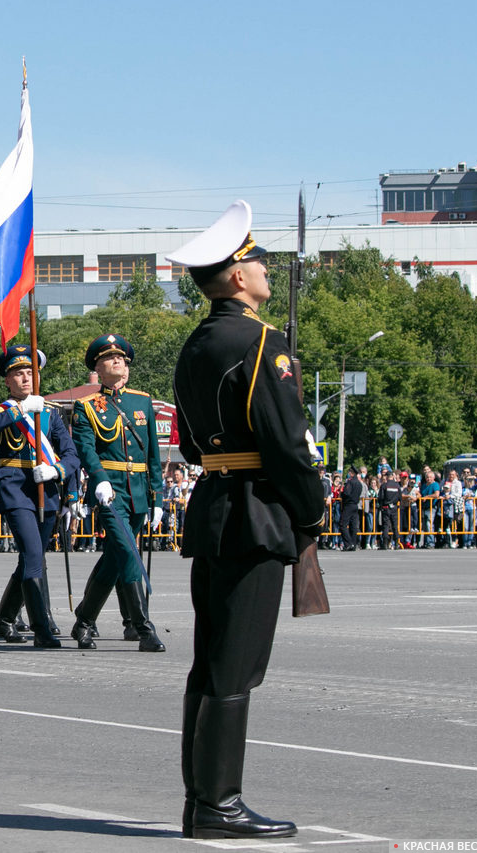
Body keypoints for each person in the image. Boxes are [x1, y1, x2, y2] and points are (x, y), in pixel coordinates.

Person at [168, 199, 326, 839]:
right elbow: (288, 445)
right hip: (258, 510)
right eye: (258, 261)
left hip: (214, 505)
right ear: (238, 276)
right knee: (237, 666)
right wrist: (311, 511)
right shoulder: (262, 342)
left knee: (211, 661)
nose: (265, 269)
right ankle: (218, 805)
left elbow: (188, 444)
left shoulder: (197, 343)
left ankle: (200, 799)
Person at [68, 334, 166, 653]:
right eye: (110, 358)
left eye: (121, 358)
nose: (118, 362)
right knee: (126, 551)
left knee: (115, 557)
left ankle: (84, 621)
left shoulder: (142, 401)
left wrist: (158, 497)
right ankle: (143, 627)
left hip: (138, 491)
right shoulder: (87, 405)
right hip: (110, 492)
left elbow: (152, 453)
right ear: (97, 366)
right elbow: (86, 448)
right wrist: (98, 479)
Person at [0, 344, 80, 649]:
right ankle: (41, 628)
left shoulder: (51, 414)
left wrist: (58, 473)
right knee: (34, 555)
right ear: (8, 381)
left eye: (30, 373)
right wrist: (22, 409)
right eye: (19, 374)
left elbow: (71, 454)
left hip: (46, 490)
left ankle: (5, 619)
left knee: (31, 559)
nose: (26, 378)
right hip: (14, 490)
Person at [377, 471, 402, 550]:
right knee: (395, 526)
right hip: (394, 507)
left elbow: (381, 497)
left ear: (387, 477)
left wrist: (381, 505)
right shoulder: (397, 486)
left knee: (386, 526)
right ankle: (397, 544)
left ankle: (385, 544)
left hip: (386, 507)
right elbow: (400, 497)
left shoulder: (384, 485)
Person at [338, 468, 362, 551]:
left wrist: (342, 495)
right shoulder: (359, 483)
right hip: (355, 505)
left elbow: (346, 493)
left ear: (352, 473)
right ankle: (353, 544)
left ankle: (348, 544)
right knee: (353, 526)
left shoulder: (350, 482)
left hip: (348, 505)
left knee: (343, 524)